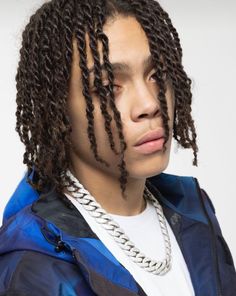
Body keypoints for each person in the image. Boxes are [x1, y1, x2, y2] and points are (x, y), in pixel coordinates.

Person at [0, 0, 235, 295]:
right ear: (57, 113)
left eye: (157, 75)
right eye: (109, 87)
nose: (150, 104)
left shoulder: (194, 210)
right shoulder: (32, 264)